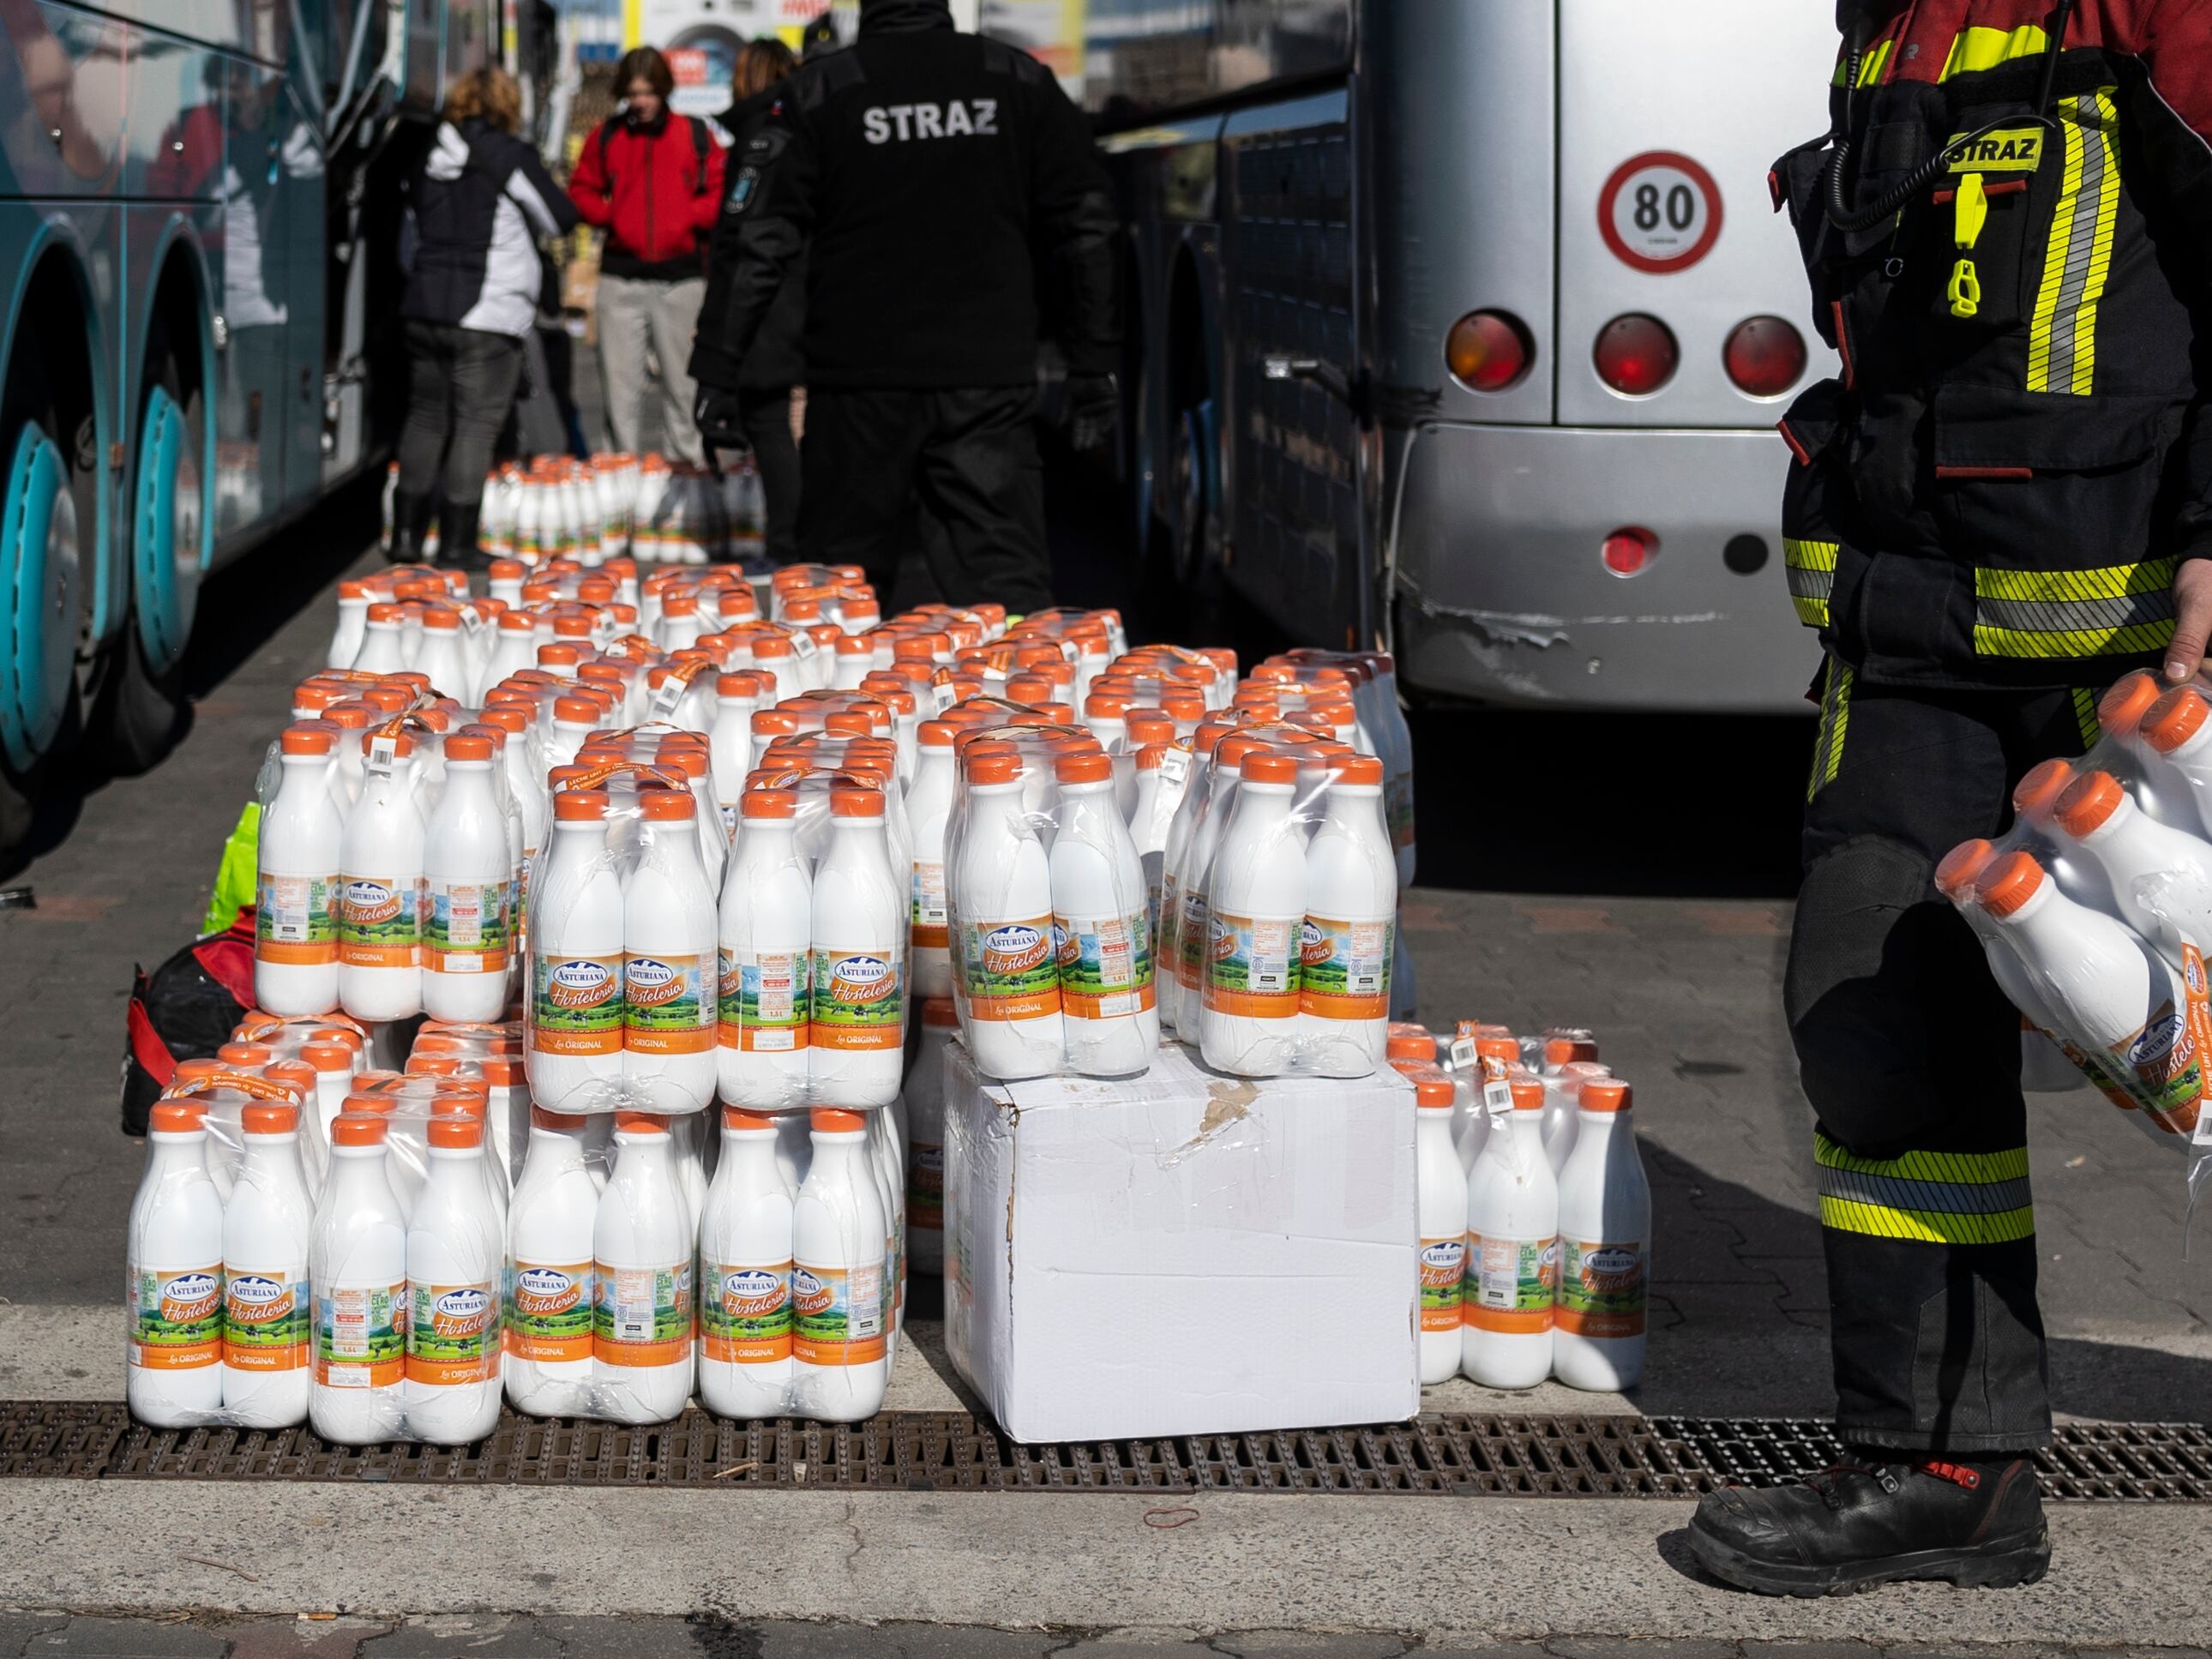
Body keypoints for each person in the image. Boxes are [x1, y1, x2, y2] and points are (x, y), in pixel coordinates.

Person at [1687, 0, 2212, 1596]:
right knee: (1871, 1010)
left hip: (2133, 661)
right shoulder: (1892, 26)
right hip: (1914, 634)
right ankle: (1948, 1469)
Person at [688, 0, 1118, 611]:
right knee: (1004, 593)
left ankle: (843, 699)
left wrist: (718, 368)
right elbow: (1087, 224)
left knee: (839, 598)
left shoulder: (821, 91)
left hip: (858, 387)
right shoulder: (1014, 79)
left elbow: (757, 242)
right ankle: (1017, 702)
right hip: (985, 381)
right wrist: (1092, 360)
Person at [395, 68, 579, 568]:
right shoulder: (508, 155)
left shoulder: (425, 157)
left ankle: (406, 536)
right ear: (505, 104)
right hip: (487, 311)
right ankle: (457, 544)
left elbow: (408, 233)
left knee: (426, 418)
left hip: (425, 306)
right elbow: (560, 217)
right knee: (476, 426)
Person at [567, 45, 725, 466]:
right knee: (620, 392)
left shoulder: (693, 134)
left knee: (684, 389)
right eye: (634, 93)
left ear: (664, 91)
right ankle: (623, 486)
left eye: (649, 92)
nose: (641, 101)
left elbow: (720, 190)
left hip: (682, 281)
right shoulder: (607, 135)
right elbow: (581, 188)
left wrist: (687, 217)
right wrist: (611, 215)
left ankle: (687, 481)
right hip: (621, 281)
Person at [707, 38, 807, 564]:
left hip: (770, 307)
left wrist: (718, 350)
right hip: (812, 300)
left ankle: (788, 545)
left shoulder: (758, 140)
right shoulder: (808, 127)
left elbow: (742, 244)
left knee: (768, 423)